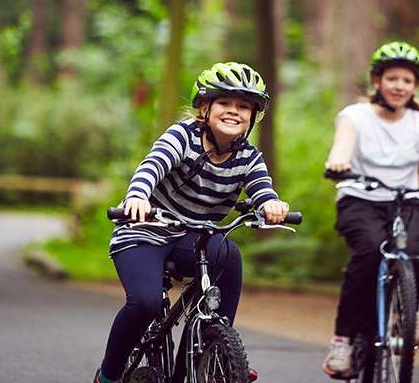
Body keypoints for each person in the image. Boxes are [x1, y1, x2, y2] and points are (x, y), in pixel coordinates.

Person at [94, 62, 290, 383]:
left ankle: (219, 348)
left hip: (194, 238)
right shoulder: (181, 136)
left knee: (228, 254)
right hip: (145, 230)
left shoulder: (248, 157)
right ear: (204, 108)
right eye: (224, 102)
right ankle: (109, 374)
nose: (234, 111)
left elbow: (261, 187)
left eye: (244, 106)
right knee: (143, 303)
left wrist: (270, 204)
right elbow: (152, 166)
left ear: (253, 117)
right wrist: (137, 198)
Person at [322, 42, 419, 377]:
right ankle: (343, 340)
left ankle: (410, 303)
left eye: (407, 81)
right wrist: (338, 162)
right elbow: (342, 146)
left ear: (415, 86)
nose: (399, 86)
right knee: (368, 253)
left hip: (406, 199)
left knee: (413, 253)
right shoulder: (355, 116)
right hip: (359, 198)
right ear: (377, 81)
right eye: (392, 78)